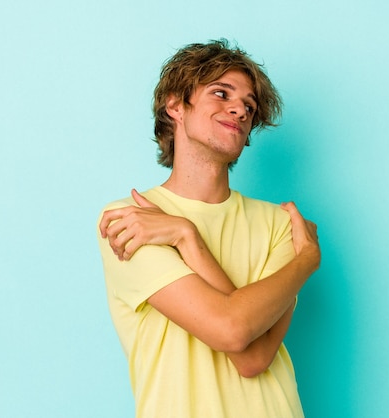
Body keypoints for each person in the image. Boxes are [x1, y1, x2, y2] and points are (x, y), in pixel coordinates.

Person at [97, 39, 320, 418]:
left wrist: (187, 237)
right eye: (221, 93)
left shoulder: (283, 225)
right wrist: (307, 261)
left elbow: (254, 359)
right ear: (175, 106)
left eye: (249, 106)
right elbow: (233, 333)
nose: (240, 109)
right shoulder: (131, 217)